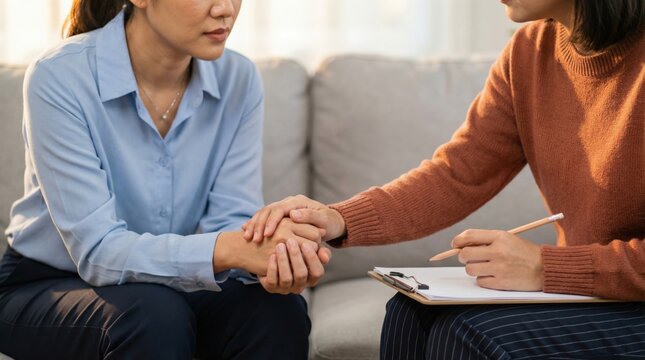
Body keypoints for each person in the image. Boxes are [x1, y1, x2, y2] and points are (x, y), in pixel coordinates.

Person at [242, 0, 645, 358]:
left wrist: (546, 267)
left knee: (468, 334)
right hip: (592, 293)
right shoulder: (530, 52)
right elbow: (458, 174)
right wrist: (336, 218)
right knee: (409, 312)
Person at [0, 0, 329, 359]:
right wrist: (234, 249)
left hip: (168, 285)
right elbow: (97, 252)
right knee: (152, 316)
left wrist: (276, 257)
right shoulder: (60, 75)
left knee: (275, 311)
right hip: (49, 283)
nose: (226, 9)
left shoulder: (239, 79)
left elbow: (232, 220)